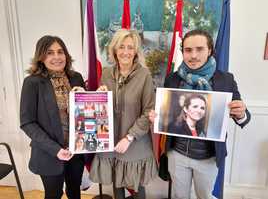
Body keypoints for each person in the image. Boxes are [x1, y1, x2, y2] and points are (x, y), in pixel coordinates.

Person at [150, 29, 251, 199]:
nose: (193, 55)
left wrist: (240, 113)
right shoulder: (173, 79)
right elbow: (167, 115)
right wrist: (158, 118)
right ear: (183, 52)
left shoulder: (225, 80)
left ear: (210, 50)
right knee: (179, 196)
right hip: (177, 154)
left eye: (200, 49)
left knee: (205, 196)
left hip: (208, 158)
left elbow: (244, 118)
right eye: (188, 50)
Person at [89, 29, 158, 199]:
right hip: (110, 139)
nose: (125, 52)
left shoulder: (144, 75)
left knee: (137, 189)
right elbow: (101, 108)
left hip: (135, 141)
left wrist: (129, 137)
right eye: (121, 47)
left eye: (130, 47)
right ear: (114, 50)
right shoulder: (106, 73)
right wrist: (99, 96)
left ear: (136, 51)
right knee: (116, 185)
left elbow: (148, 110)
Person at [20, 35, 85, 199]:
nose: (56, 57)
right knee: (53, 194)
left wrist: (96, 96)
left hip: (75, 151)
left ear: (66, 55)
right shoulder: (32, 83)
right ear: (41, 57)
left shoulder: (76, 78)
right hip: (49, 153)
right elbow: (28, 123)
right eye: (50, 53)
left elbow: (85, 112)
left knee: (74, 192)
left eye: (60, 52)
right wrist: (55, 150)